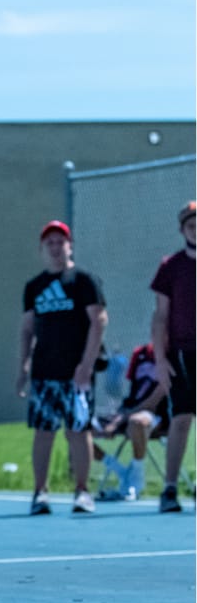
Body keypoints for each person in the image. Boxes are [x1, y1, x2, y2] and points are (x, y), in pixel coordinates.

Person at [16, 220, 107, 515]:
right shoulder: (34, 287)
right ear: (42, 249)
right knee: (44, 431)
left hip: (76, 374)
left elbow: (99, 321)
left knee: (78, 431)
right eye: (50, 243)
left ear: (70, 246)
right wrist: (24, 367)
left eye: (60, 242)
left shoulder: (83, 281)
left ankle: (82, 491)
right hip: (45, 372)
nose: (56, 248)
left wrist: (86, 365)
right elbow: (28, 329)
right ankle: (40, 492)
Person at [150, 201, 196, 513]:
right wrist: (160, 359)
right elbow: (160, 317)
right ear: (182, 230)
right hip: (183, 351)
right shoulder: (171, 266)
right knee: (181, 418)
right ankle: (169, 488)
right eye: (190, 225)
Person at [93, 343, 168, 500]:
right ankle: (123, 474)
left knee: (137, 422)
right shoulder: (140, 354)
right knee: (78, 431)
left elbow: (155, 400)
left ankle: (136, 481)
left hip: (155, 415)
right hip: (128, 411)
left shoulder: (173, 354)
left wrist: (121, 419)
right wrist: (119, 417)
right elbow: (134, 391)